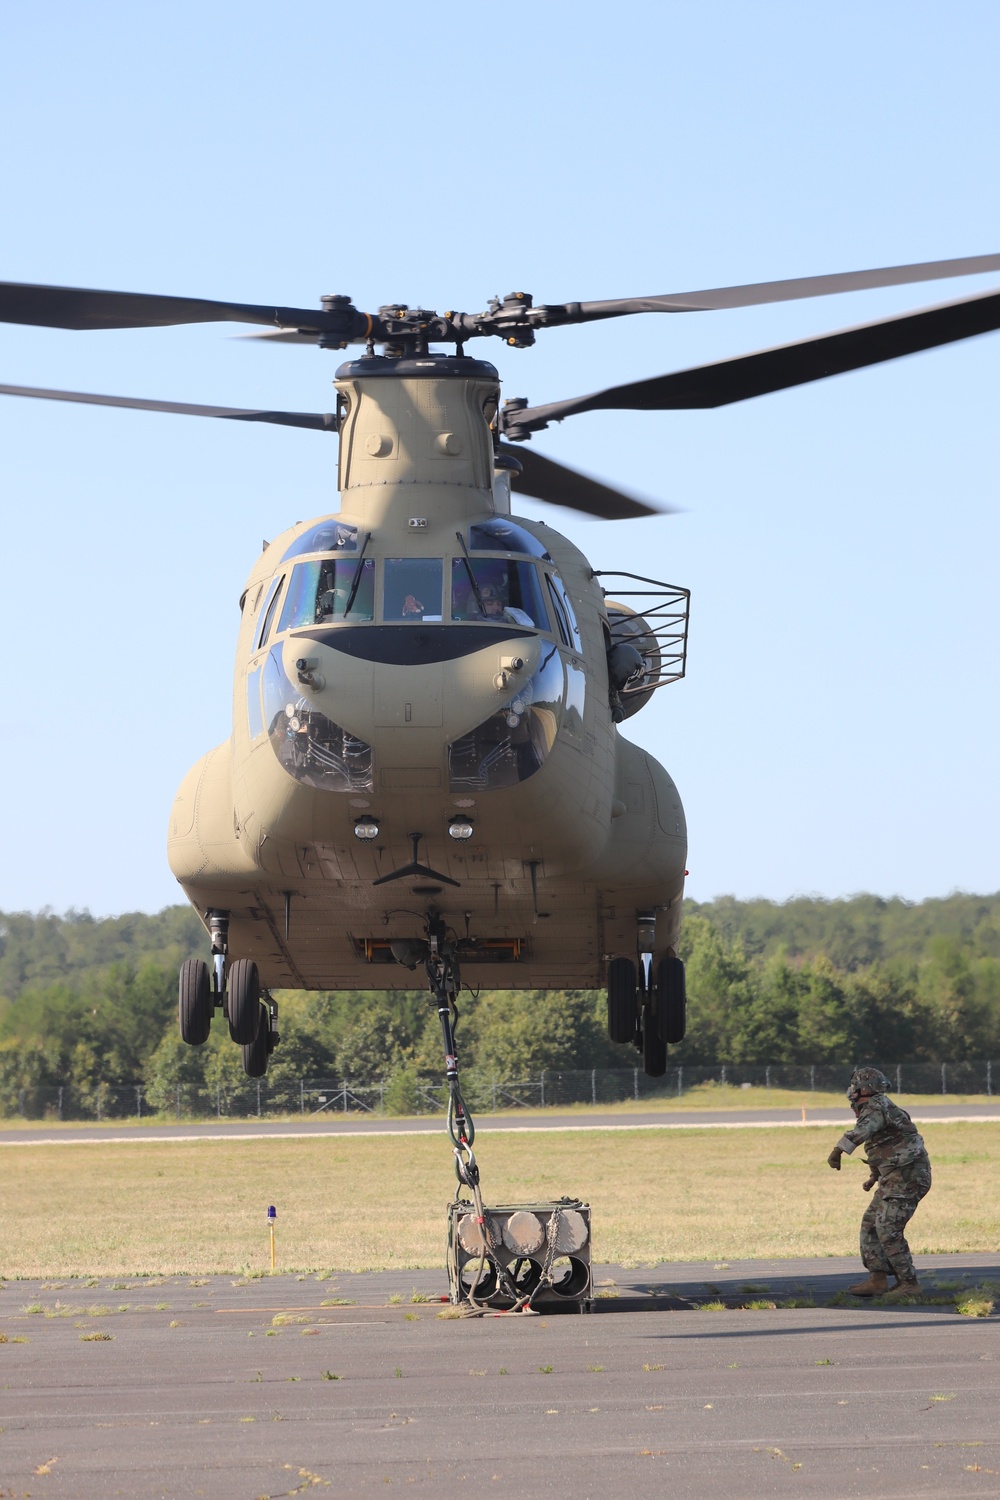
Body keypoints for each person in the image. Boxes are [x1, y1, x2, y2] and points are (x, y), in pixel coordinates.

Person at [827, 1064, 932, 1301]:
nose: (851, 1095)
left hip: (908, 1178)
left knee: (887, 1228)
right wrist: (874, 1176)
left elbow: (864, 1131)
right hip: (894, 1177)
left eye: (854, 1090)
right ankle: (878, 1279)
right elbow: (884, 1146)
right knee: (871, 1224)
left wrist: (838, 1150)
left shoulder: (877, 1106)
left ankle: (909, 1283)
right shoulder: (881, 1108)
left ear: (863, 1090)